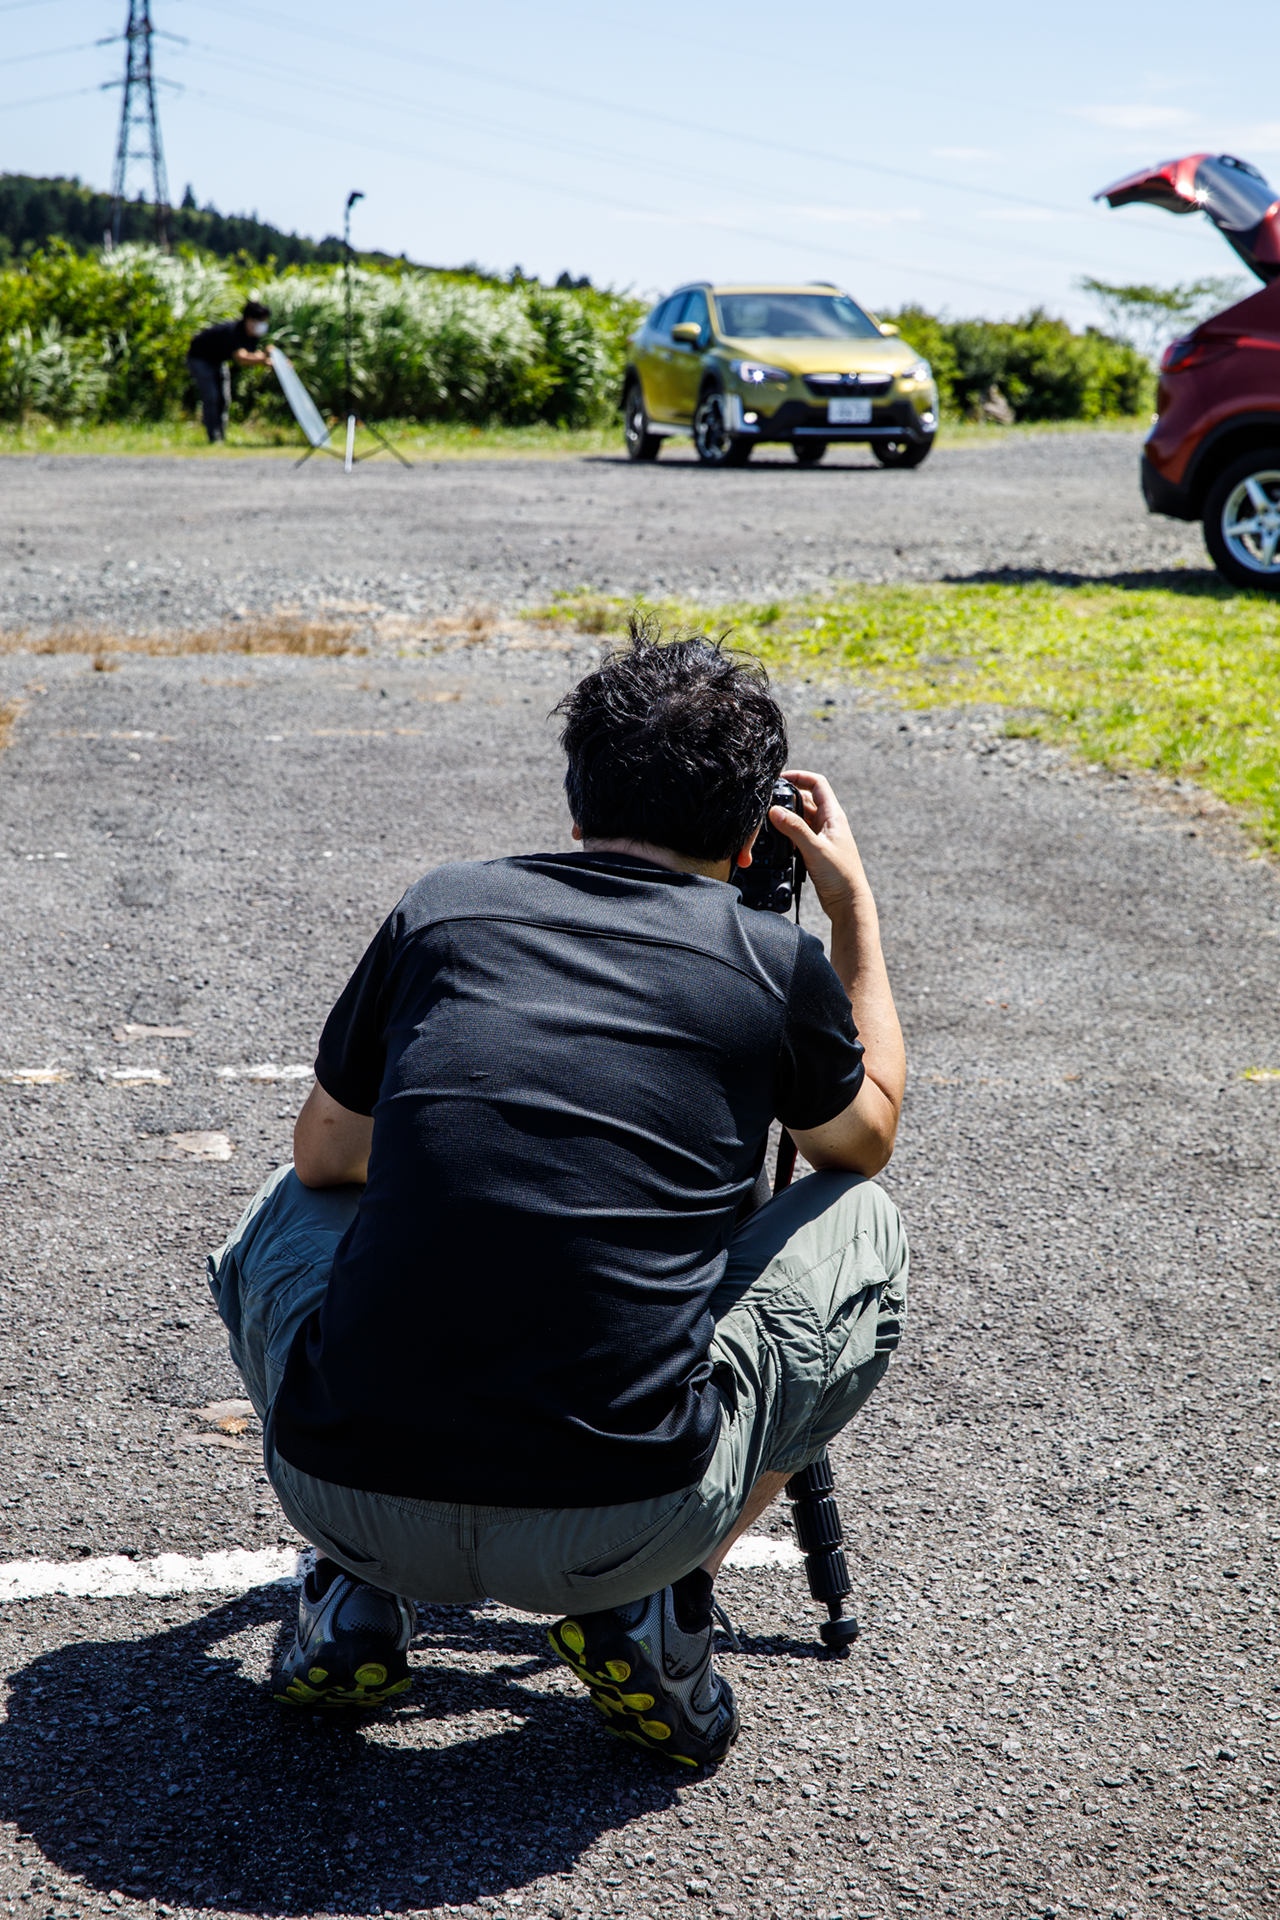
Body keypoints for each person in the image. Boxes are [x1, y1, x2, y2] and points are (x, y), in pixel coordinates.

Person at [207, 621, 909, 1769]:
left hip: (341, 1491)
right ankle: (662, 1606)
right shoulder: (767, 960)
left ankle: (354, 1593)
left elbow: (326, 1161)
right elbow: (860, 1142)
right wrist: (852, 917)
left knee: (279, 1212)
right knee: (863, 1226)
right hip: (621, 1527)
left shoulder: (442, 909)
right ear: (751, 840)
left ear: (575, 805)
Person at [186, 299, 271, 443]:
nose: (263, 324)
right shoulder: (234, 331)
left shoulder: (251, 335)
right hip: (199, 358)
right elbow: (242, 358)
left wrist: (271, 356)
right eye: (260, 320)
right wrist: (265, 360)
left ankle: (221, 436)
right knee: (212, 397)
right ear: (249, 320)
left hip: (217, 361)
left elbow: (254, 354)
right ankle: (213, 437)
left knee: (224, 399)